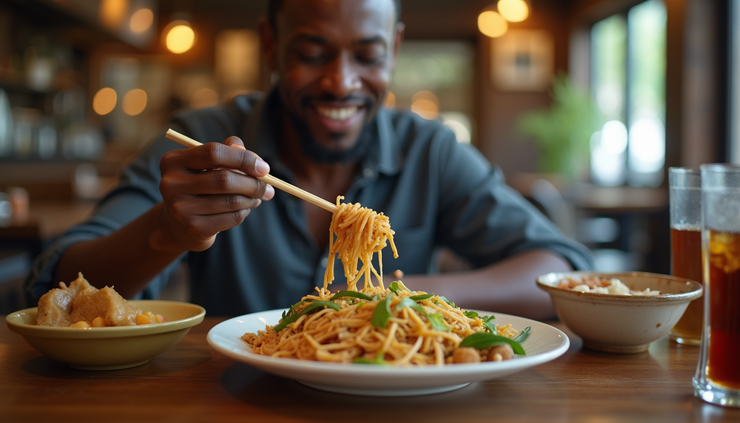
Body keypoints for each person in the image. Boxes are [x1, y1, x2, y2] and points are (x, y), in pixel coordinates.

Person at [25, 0, 592, 319]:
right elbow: (53, 282)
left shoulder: (431, 151)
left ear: (393, 51)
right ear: (271, 46)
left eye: (367, 56)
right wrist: (165, 232)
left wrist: (393, 297)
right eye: (313, 54)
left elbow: (560, 268)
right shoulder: (206, 140)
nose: (340, 82)